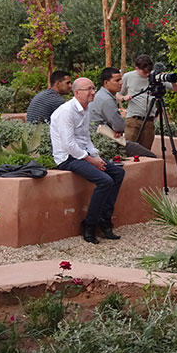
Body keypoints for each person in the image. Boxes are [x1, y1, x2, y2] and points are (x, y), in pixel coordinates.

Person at [50, 77, 125, 244]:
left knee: (118, 172)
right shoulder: (66, 112)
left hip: (83, 154)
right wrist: (91, 161)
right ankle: (89, 224)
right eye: (88, 89)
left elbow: (85, 138)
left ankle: (104, 221)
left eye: (93, 88)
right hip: (67, 158)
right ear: (77, 93)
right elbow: (69, 144)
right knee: (105, 181)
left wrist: (96, 156)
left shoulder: (86, 108)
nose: (93, 92)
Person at [90, 67, 156, 159]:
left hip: (102, 138)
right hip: (105, 141)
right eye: (117, 80)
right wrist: (117, 129)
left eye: (120, 79)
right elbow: (119, 126)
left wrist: (117, 129)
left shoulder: (101, 95)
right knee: (150, 156)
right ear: (106, 83)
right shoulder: (106, 100)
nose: (121, 83)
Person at [119, 54, 177, 150]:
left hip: (149, 121)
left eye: (149, 71)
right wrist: (123, 98)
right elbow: (117, 94)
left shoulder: (156, 77)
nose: (147, 75)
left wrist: (170, 78)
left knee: (145, 152)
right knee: (128, 150)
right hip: (133, 120)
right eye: (144, 72)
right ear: (137, 68)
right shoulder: (128, 76)